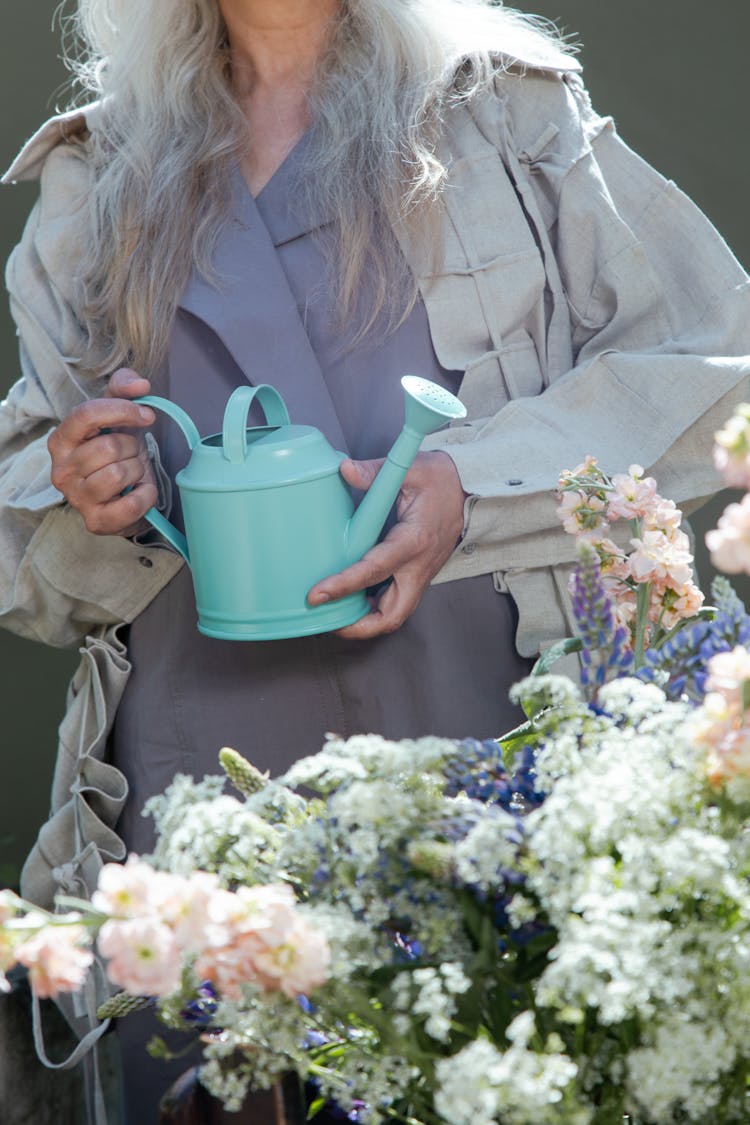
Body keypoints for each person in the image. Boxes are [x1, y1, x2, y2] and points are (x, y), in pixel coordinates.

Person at [1, 0, 749, 1121]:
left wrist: (474, 481)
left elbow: (714, 361)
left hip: (503, 735)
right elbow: (31, 545)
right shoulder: (95, 172)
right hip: (203, 783)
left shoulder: (509, 113)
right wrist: (82, 488)